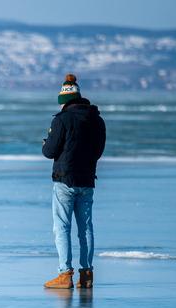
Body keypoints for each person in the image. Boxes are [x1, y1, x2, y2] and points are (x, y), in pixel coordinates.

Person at [42, 74, 106, 289]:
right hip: (87, 179)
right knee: (85, 227)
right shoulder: (97, 120)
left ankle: (65, 274)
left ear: (64, 102)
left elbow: (49, 151)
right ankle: (87, 274)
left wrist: (47, 142)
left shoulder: (61, 120)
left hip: (64, 180)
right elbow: (98, 151)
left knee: (62, 226)